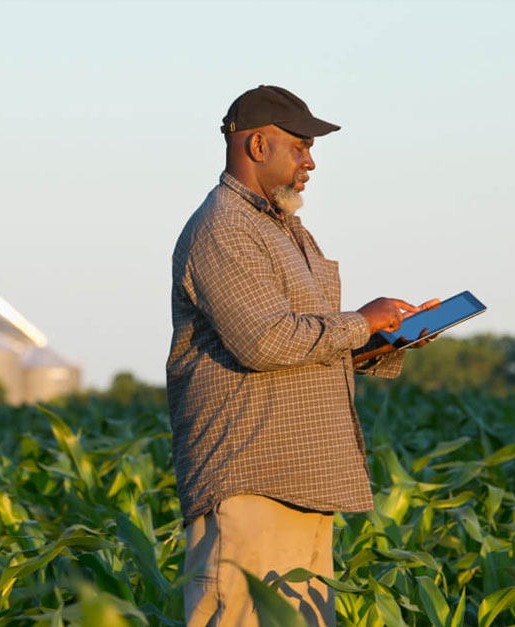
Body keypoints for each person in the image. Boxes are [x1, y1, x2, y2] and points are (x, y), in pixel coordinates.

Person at [166, 85, 437, 626]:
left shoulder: (287, 230)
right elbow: (264, 342)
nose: (310, 161)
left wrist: (385, 338)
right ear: (258, 146)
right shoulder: (225, 226)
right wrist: (362, 321)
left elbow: (304, 344)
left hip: (304, 478)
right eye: (300, 146)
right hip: (252, 479)